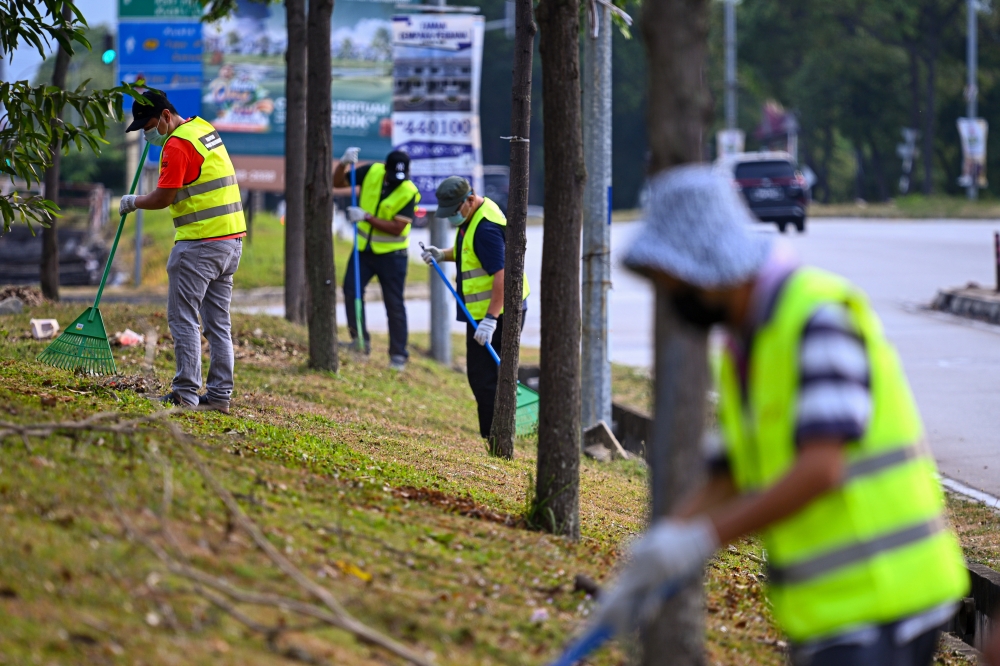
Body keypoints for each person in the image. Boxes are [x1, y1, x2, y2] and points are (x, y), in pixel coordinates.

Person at [591, 166, 969, 665]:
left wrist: (701, 540)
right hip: (833, 609)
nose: (672, 301)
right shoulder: (747, 345)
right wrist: (654, 554)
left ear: (707, 266)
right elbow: (731, 473)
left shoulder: (816, 319)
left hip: (886, 597)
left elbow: (821, 468)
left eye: (674, 284)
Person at [119, 90, 246, 415]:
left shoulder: (176, 144)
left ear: (164, 116)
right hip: (230, 243)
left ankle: (185, 394)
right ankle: (219, 396)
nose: (148, 134)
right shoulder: (203, 129)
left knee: (183, 318)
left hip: (200, 245)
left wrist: (133, 201)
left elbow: (164, 198)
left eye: (149, 126)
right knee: (218, 323)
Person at [420, 176, 529, 439]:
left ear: (469, 200)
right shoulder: (475, 216)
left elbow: (502, 274)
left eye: (454, 212)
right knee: (483, 378)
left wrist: (491, 319)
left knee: (486, 381)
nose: (451, 219)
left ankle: (496, 440)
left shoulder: (485, 229)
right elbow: (469, 251)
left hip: (497, 316)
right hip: (485, 315)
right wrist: (442, 254)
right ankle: (495, 438)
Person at [334, 147, 419, 371]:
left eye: (401, 177)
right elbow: (339, 183)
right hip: (364, 250)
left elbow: (398, 229)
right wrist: (342, 163)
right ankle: (359, 340)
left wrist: (366, 217)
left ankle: (398, 355)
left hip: (392, 257)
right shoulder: (371, 172)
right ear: (386, 168)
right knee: (351, 292)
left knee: (394, 304)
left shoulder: (409, 191)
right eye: (393, 175)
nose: (396, 180)